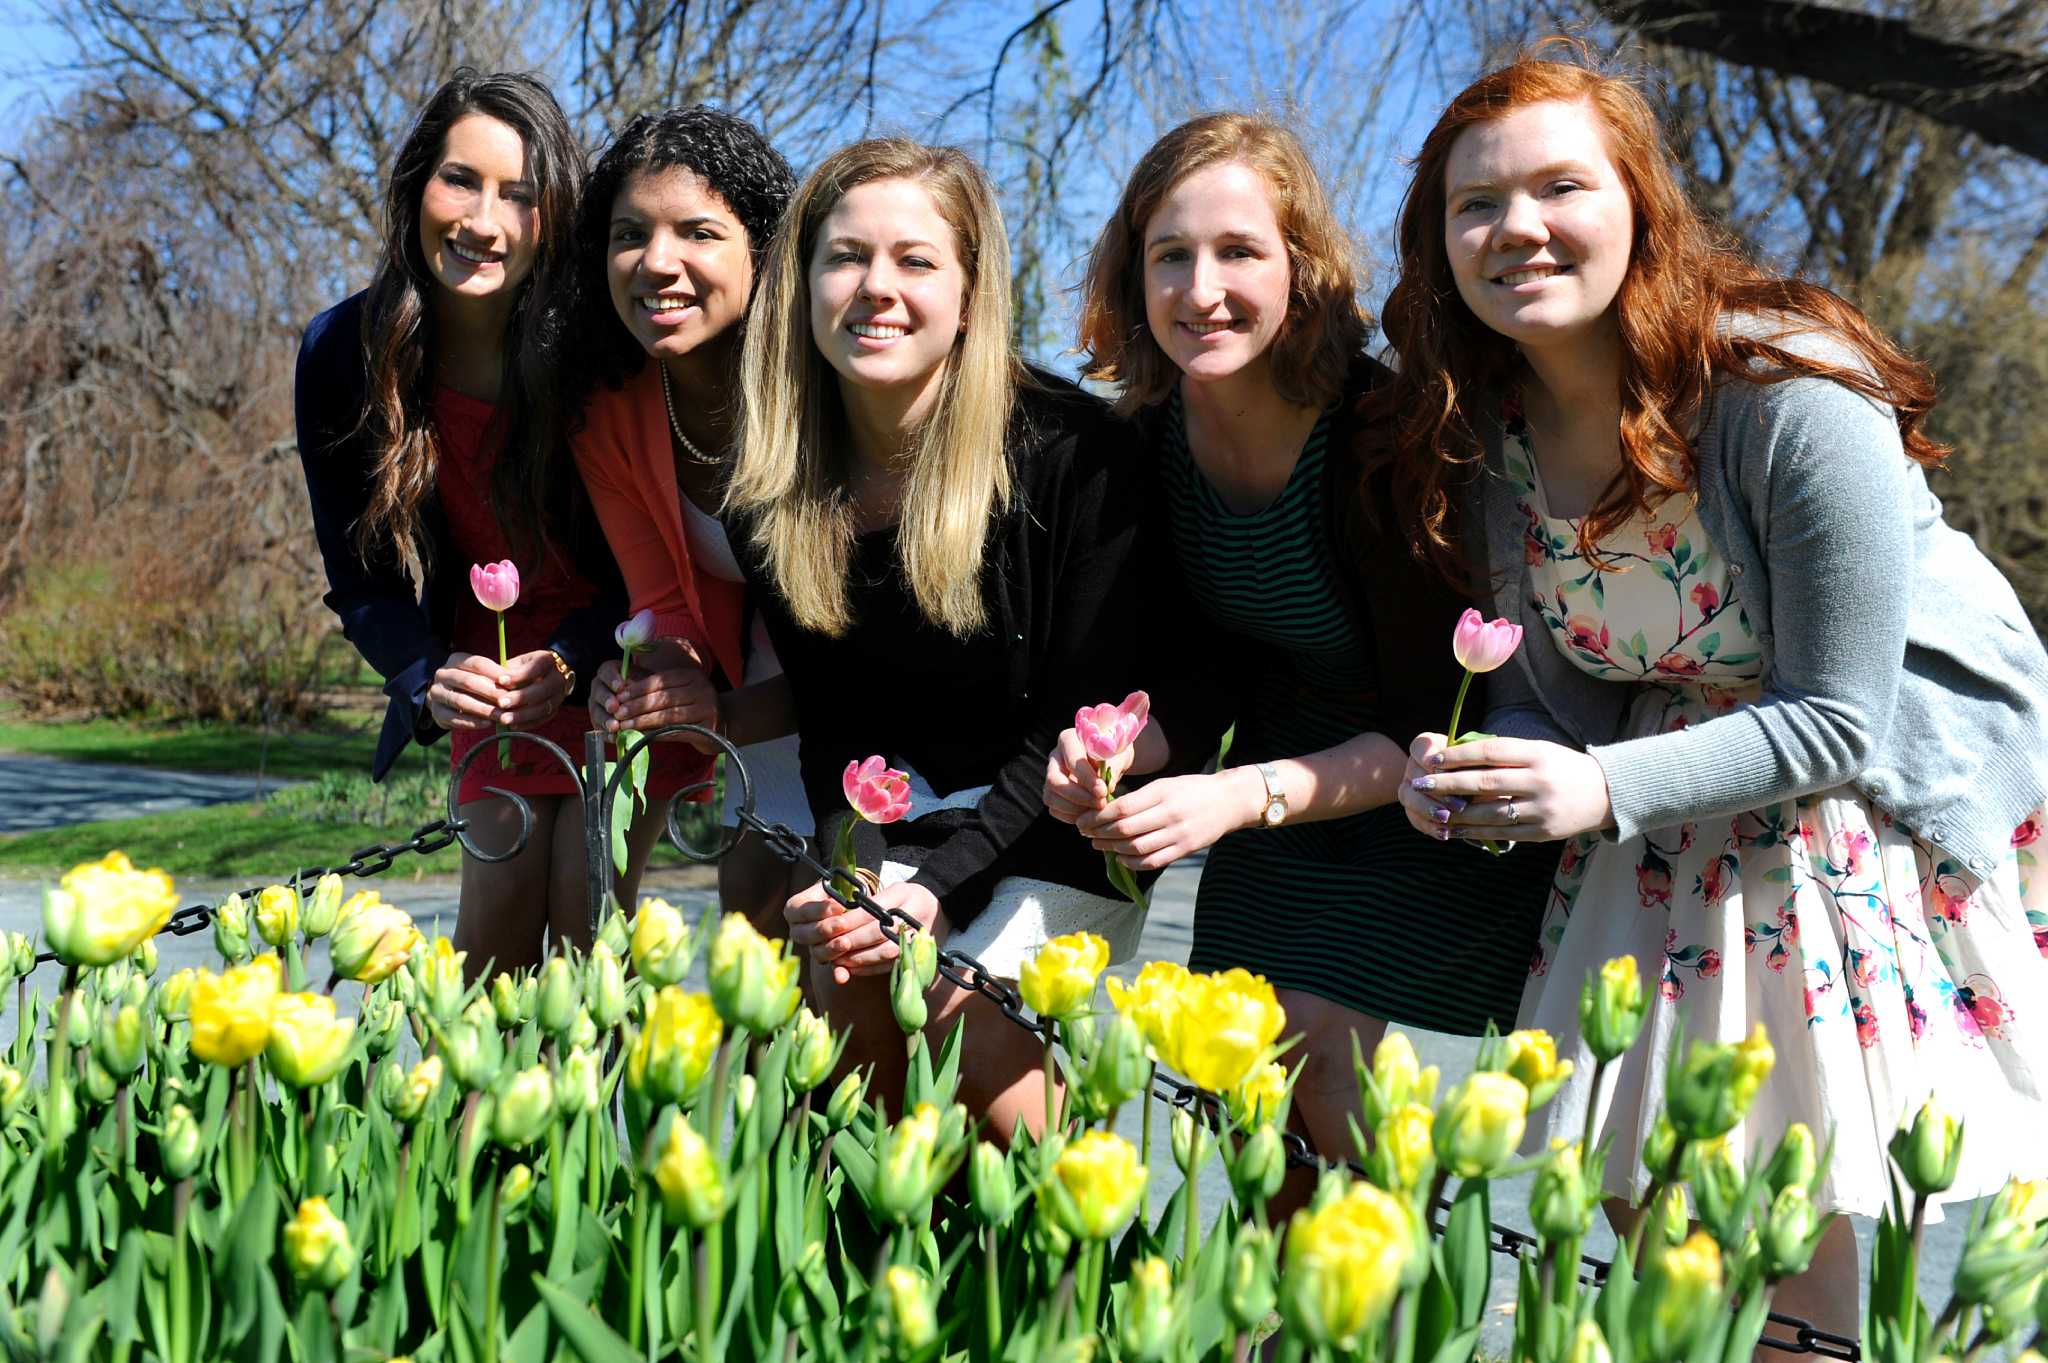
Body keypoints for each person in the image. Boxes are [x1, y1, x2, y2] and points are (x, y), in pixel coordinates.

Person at [1383, 45, 2048, 1333]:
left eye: (1558, 186)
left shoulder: (1784, 392)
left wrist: (1588, 783)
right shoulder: (1491, 440)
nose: (1515, 227)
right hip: (1649, 842)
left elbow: (1838, 714)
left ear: (1637, 202)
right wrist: (1478, 774)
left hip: (1848, 817)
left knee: (1779, 1241)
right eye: (1474, 204)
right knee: (1649, 1254)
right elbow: (1550, 698)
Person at [1040, 113, 1556, 1181]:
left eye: (1237, 251)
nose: (1199, 288)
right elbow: (1186, 667)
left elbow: (1430, 718)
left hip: (1423, 797)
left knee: (1323, 1071)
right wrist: (1121, 754)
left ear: (1302, 267)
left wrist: (1234, 796)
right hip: (1269, 801)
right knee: (1250, 1099)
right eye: (1168, 255)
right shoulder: (1143, 443)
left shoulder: (1383, 438)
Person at [728, 138, 1144, 1138]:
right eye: (844, 257)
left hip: (1051, 817)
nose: (875, 288)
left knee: (971, 1034)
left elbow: (1073, 728)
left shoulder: (1075, 459)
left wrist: (937, 893)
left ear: (969, 289)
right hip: (893, 815)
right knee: (844, 979)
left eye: (914, 260)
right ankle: (873, 1271)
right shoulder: (775, 494)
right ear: (800, 284)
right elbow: (834, 728)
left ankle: (1062, 1270)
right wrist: (859, 873)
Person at [295, 70, 646, 972]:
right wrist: (424, 671)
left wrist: (571, 658)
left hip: (621, 660)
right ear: (418, 184)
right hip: (481, 671)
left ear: (553, 215)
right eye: (461, 180)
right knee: (492, 945)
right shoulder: (345, 352)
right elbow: (359, 574)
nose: (483, 221)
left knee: (587, 936)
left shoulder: (598, 348)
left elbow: (647, 549)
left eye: (520, 195)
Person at [565, 107, 812, 928]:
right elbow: (665, 598)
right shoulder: (612, 415)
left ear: (765, 251)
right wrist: (659, 679)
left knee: (829, 914)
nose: (656, 262)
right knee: (749, 902)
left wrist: (723, 716)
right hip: (768, 677)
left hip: (896, 688)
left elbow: (878, 643)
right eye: (629, 233)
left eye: (699, 232)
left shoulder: (824, 387)